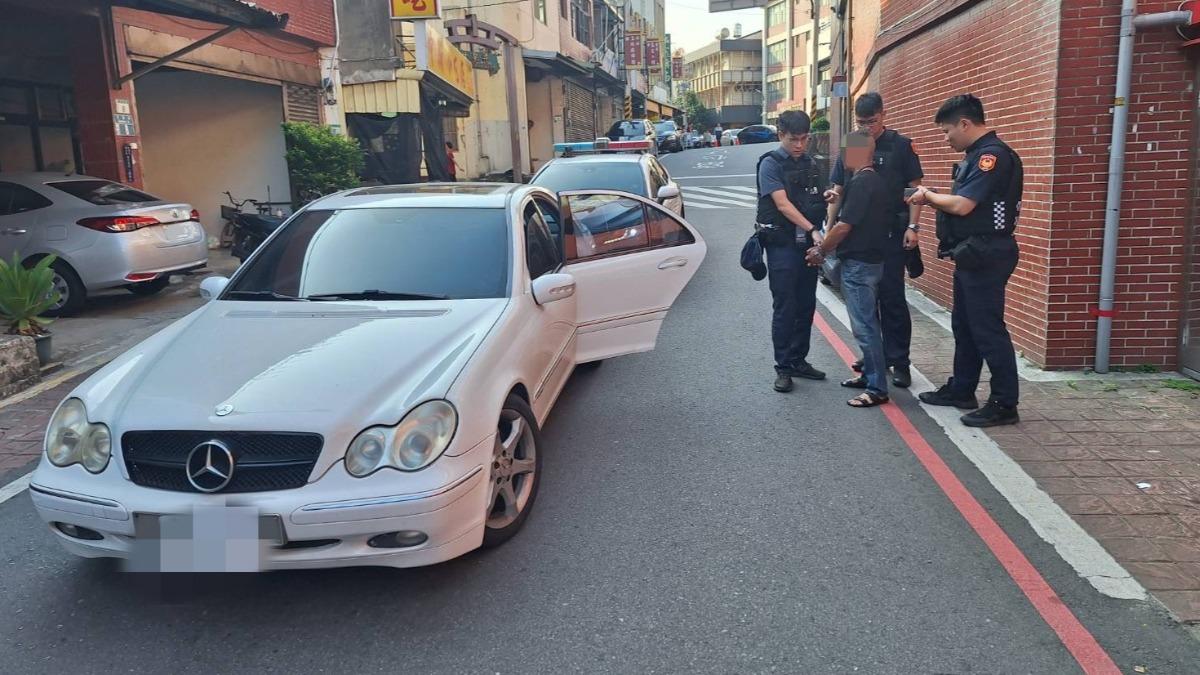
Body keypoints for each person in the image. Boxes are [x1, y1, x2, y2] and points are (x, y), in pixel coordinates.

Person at [908, 94, 1023, 428]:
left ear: (965, 123)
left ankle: (1004, 403)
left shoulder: (991, 157)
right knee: (966, 326)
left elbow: (962, 206)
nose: (946, 139)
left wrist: (927, 196)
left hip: (988, 254)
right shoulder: (977, 156)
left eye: (947, 132)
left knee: (988, 330)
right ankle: (962, 389)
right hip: (974, 254)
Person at [824, 92, 924, 388]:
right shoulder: (854, 143)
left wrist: (914, 227)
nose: (867, 127)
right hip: (858, 237)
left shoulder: (900, 145)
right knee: (864, 305)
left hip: (891, 235)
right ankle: (873, 358)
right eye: (861, 122)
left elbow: (914, 191)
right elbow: (839, 187)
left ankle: (899, 361)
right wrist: (828, 229)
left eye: (872, 121)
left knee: (892, 299)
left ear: (884, 115)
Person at [806, 130, 891, 407]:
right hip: (873, 260)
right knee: (868, 323)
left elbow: (844, 225)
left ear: (855, 152)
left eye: (845, 151)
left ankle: (877, 387)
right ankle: (869, 375)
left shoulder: (862, 183)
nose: (842, 156)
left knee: (864, 327)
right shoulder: (873, 181)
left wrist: (821, 250)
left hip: (860, 265)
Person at [756, 109, 828, 392]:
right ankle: (783, 367)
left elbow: (816, 196)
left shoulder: (812, 163)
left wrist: (828, 196)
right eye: (792, 139)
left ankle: (799, 360)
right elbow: (783, 205)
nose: (799, 145)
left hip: (807, 248)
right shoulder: (770, 164)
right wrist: (812, 228)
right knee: (785, 307)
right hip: (782, 246)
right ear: (780, 135)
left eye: (803, 139)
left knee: (806, 304)